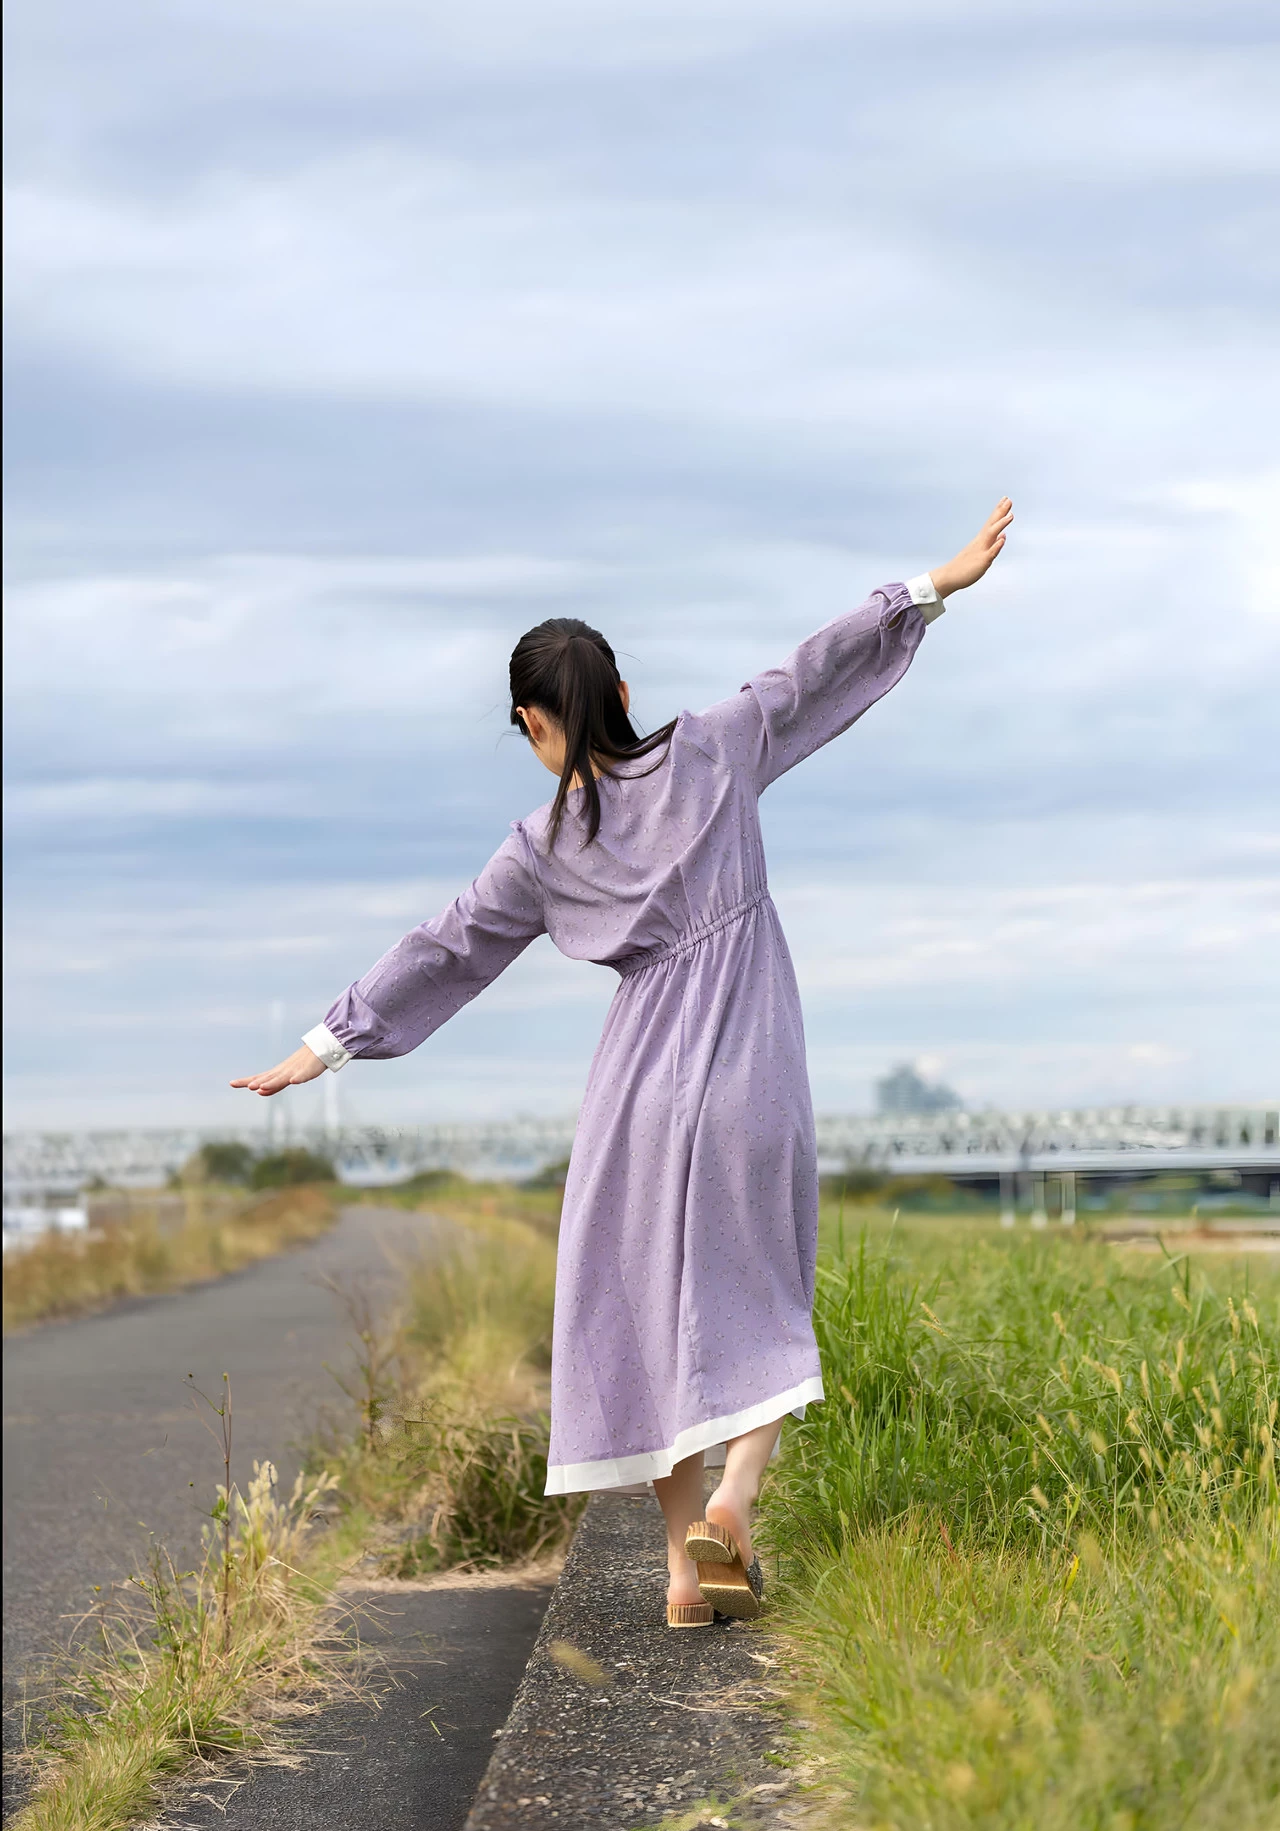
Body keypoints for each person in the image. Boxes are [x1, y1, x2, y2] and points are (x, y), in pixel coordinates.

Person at [234, 499, 1013, 1625]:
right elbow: (811, 672)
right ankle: (738, 1498)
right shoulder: (714, 745)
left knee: (657, 1317)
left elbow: (445, 944)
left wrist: (322, 1043)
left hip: (636, 1093)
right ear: (626, 695)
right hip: (746, 1063)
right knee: (764, 1297)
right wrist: (928, 587)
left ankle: (681, 1574)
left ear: (530, 722)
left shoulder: (539, 847)